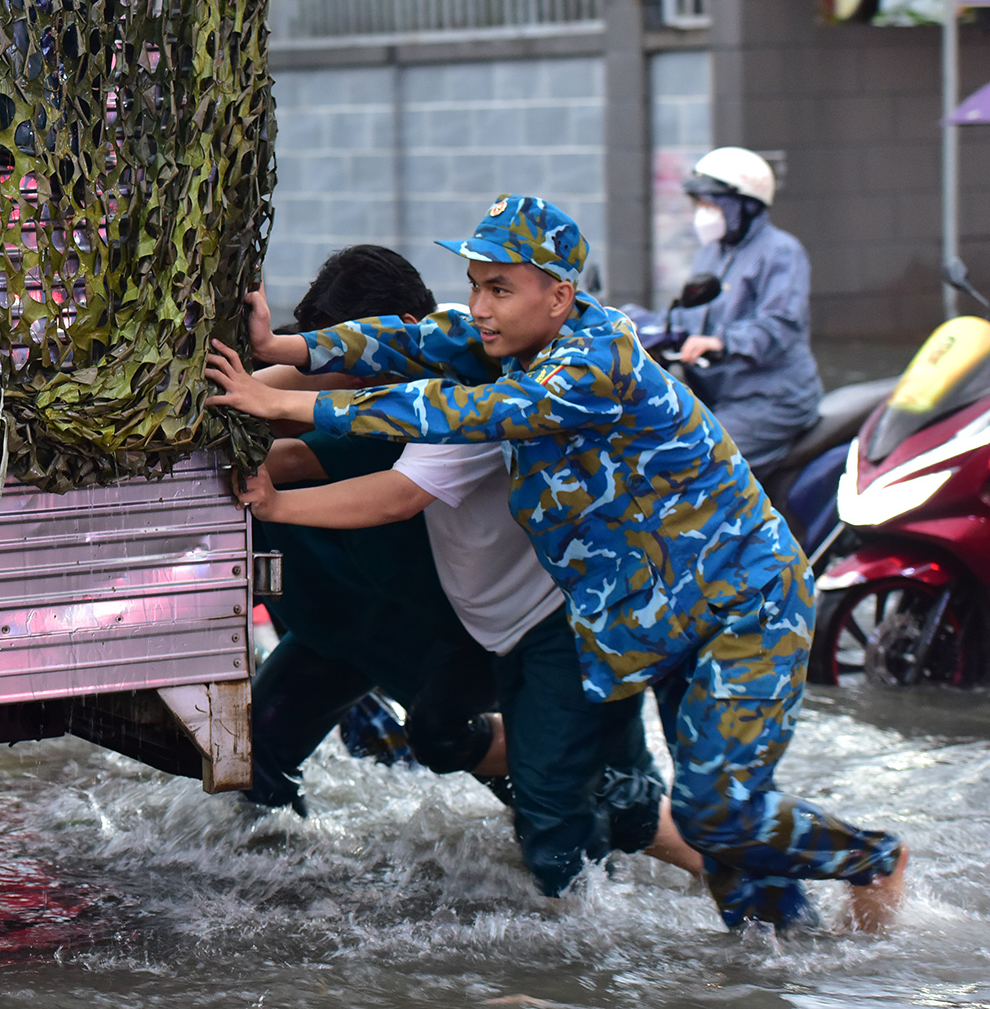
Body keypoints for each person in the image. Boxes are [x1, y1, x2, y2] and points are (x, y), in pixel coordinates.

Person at [206, 195, 907, 932]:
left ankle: (872, 857)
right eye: (475, 283)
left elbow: (448, 414)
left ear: (561, 294)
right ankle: (790, 953)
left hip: (743, 596)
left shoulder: (586, 367)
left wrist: (279, 404)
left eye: (499, 287)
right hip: (654, 614)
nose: (478, 305)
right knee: (710, 837)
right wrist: (283, 352)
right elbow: (413, 337)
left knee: (715, 807)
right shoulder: (507, 337)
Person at [243, 247, 703, 894]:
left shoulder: (476, 388)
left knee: (613, 801)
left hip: (566, 617)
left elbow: (358, 470)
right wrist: (253, 371)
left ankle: (729, 877)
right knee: (441, 740)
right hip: (440, 626)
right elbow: (304, 387)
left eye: (501, 294)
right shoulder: (434, 360)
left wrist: (271, 480)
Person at [243, 247, 507, 813]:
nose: (333, 362)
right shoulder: (339, 380)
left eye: (351, 348)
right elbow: (277, 395)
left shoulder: (454, 401)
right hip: (340, 627)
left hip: (439, 635)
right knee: (254, 753)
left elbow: (295, 453)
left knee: (527, 780)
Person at [631, 147, 824, 473]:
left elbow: (780, 325)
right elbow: (687, 314)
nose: (703, 213)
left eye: (711, 204)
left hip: (769, 400)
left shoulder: (781, 252)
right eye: (700, 204)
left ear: (744, 205)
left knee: (692, 467)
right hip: (716, 396)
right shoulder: (712, 253)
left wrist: (720, 343)